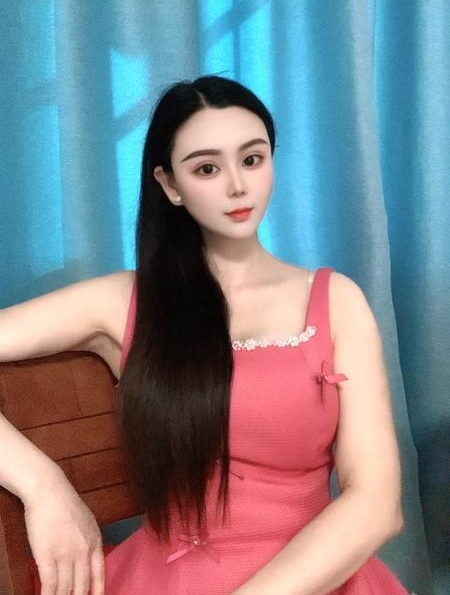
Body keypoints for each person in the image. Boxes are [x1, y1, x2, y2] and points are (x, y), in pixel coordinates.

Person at [0, 75, 411, 595]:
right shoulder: (123, 301)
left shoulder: (337, 301)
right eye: (207, 168)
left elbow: (377, 503)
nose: (237, 185)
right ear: (170, 184)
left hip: (317, 575)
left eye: (252, 159)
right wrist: (44, 487)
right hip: (167, 579)